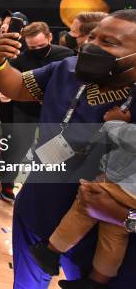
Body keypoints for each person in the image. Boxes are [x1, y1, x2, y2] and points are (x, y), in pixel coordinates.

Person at [0, 9, 136, 288]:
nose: (92, 45)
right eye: (91, 37)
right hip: (37, 204)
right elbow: (19, 86)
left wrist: (124, 217)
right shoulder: (67, 69)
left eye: (110, 42)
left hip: (101, 234)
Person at [30, 115, 136, 288]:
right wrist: (126, 218)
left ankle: (51, 251)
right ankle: (96, 281)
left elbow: (125, 134)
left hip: (118, 183)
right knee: (115, 236)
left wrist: (112, 123)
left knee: (83, 210)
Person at [0, 22, 74, 202]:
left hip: (54, 113)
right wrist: (5, 91)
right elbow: (8, 82)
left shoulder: (65, 56)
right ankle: (7, 184)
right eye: (32, 47)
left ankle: (44, 190)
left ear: (49, 38)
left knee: (51, 152)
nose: (36, 50)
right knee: (17, 148)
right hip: (25, 111)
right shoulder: (20, 59)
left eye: (40, 46)